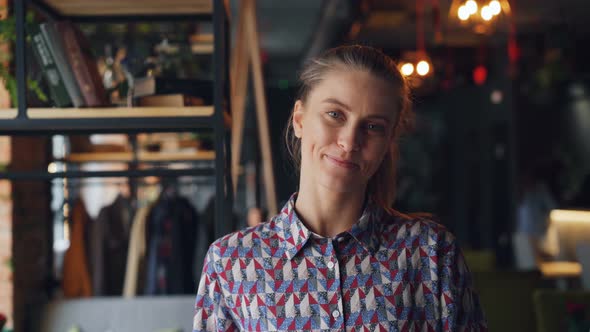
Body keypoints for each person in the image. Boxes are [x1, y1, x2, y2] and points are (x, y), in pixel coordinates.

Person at [193, 45, 487, 331]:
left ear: (389, 142)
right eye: (335, 114)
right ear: (299, 119)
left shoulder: (430, 253)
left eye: (373, 127)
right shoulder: (231, 262)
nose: (349, 141)